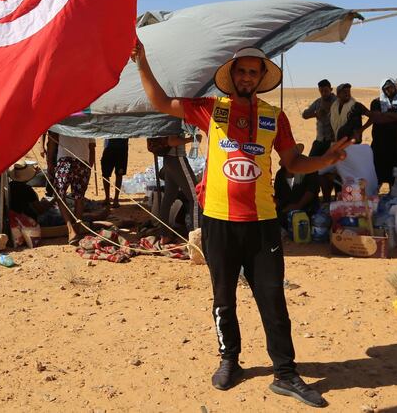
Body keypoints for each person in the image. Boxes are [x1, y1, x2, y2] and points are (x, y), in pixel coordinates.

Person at [133, 41, 350, 408]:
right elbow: (160, 102)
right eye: (241, 71)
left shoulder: (273, 116)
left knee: (272, 297)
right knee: (223, 297)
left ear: (261, 77)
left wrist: (326, 160)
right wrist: (142, 61)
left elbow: (294, 163)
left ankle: (285, 373)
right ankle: (229, 360)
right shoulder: (210, 110)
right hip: (218, 220)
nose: (247, 77)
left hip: (262, 222)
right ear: (231, 76)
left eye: (254, 71)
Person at [150, 132, 200, 236]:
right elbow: (172, 141)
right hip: (177, 159)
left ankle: (164, 234)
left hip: (168, 160)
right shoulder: (176, 119)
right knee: (196, 197)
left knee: (168, 199)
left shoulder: (169, 118)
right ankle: (196, 236)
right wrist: (191, 139)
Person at [53, 134, 96, 243]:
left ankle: (71, 230)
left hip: (65, 161)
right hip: (83, 163)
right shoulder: (87, 120)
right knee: (79, 197)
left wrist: (49, 162)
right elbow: (92, 148)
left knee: (59, 195)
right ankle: (76, 229)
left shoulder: (61, 120)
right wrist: (89, 167)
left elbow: (52, 141)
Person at [370, 79, 397, 187]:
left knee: (396, 179)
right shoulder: (376, 102)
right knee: (377, 176)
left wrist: (385, 114)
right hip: (380, 144)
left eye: (391, 87)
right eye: (386, 88)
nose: (389, 90)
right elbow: (377, 119)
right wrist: (396, 116)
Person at [321, 125, 379, 198]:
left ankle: (326, 200)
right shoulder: (367, 148)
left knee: (324, 176)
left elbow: (321, 171)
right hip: (373, 193)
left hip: (357, 194)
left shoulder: (339, 152)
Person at [274, 143, 320, 227]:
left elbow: (311, 191)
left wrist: (298, 206)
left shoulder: (309, 169)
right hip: (286, 209)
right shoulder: (280, 174)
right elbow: (278, 196)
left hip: (308, 208)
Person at [301, 79, 336, 157]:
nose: (324, 93)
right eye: (321, 91)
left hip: (333, 141)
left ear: (331, 89)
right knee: (311, 164)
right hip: (320, 140)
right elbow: (304, 115)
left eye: (326, 91)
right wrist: (316, 115)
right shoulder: (318, 102)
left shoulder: (337, 102)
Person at [100, 138, 128, 208]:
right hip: (116, 149)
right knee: (109, 174)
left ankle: (113, 199)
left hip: (119, 149)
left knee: (117, 174)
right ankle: (111, 199)